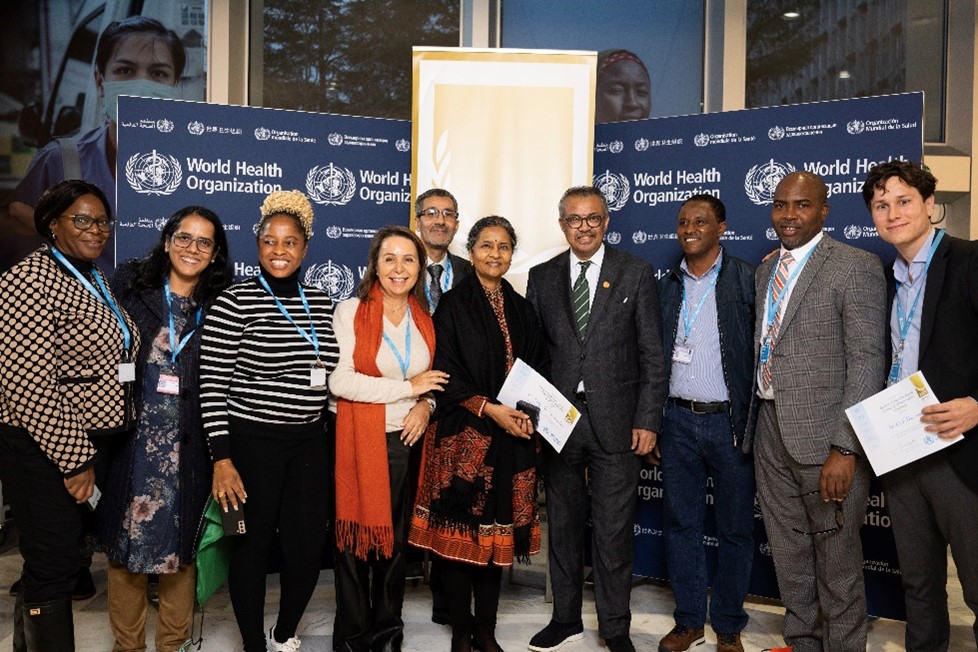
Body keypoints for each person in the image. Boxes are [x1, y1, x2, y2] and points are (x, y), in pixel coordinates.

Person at [526, 186, 667, 652]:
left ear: (606, 222)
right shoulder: (542, 277)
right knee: (563, 526)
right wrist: (534, 414)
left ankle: (615, 628)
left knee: (613, 531)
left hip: (618, 422)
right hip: (558, 420)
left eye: (592, 218)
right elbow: (535, 354)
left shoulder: (635, 271)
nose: (583, 226)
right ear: (562, 224)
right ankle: (564, 618)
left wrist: (648, 419)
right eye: (573, 219)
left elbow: (652, 353)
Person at [749, 171, 886, 651]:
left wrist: (845, 447)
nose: (789, 215)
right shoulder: (767, 270)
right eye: (781, 205)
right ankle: (802, 641)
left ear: (824, 211)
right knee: (789, 557)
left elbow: (868, 361)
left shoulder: (854, 266)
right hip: (768, 429)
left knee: (838, 561)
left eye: (802, 205)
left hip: (827, 439)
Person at [0, 179, 139, 650]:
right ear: (53, 224)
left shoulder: (93, 275)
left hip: (88, 441)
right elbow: (26, 381)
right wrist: (75, 459)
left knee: (52, 561)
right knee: (56, 564)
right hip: (45, 448)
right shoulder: (28, 279)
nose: (95, 229)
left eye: (101, 221)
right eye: (81, 219)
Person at [200, 190, 339, 652]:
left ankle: (285, 633)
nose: (279, 251)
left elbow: (337, 371)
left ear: (305, 247)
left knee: (305, 549)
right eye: (270, 242)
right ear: (257, 244)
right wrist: (222, 458)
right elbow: (212, 386)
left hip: (308, 443)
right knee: (252, 547)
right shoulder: (234, 301)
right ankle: (253, 644)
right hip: (250, 444)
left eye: (291, 242)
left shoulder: (321, 302)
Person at [409, 216, 549, 652]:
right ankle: (462, 632)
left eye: (504, 247)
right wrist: (489, 408)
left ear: (512, 254)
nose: (495, 254)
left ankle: (486, 630)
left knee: (495, 538)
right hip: (463, 439)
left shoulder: (524, 309)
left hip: (510, 441)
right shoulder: (451, 305)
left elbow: (537, 371)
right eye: (486, 245)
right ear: (470, 252)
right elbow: (444, 370)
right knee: (457, 541)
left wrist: (523, 415)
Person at [98, 206, 233, 651]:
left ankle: (171, 646)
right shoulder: (132, 285)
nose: (192, 248)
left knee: (183, 549)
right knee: (125, 552)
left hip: (191, 442)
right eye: (184, 237)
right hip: (134, 442)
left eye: (204, 242)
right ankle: (128, 646)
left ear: (215, 253)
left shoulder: (220, 302)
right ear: (168, 239)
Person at [861, 160, 978, 651]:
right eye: (881, 205)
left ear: (931, 205)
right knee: (919, 583)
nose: (893, 213)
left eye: (904, 201)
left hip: (960, 452)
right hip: (902, 450)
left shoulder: (970, 261)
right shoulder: (882, 279)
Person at [328, 225, 447, 652]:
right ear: (375, 264)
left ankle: (388, 632)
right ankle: (353, 636)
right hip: (359, 439)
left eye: (409, 259)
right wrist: (408, 389)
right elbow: (340, 382)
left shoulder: (425, 319)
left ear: (420, 266)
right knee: (354, 545)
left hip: (408, 441)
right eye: (390, 258)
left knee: (396, 546)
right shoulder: (351, 311)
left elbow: (433, 383)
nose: (400, 268)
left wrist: (425, 405)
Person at [655, 196, 755, 652]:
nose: (689, 228)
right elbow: (653, 358)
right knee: (682, 525)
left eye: (700, 221)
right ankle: (690, 620)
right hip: (677, 420)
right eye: (682, 222)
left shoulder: (747, 279)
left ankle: (729, 625)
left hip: (728, 423)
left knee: (735, 527)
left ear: (722, 227)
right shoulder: (668, 284)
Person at [6, 16, 186, 271]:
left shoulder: (202, 167)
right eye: (125, 70)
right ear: (100, 82)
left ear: (175, 86)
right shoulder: (62, 160)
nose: (141, 85)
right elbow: (17, 218)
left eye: (158, 73)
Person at [415, 188, 473, 313]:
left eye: (448, 214)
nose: (441, 221)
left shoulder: (471, 272)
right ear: (417, 223)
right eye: (431, 213)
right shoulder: (402, 269)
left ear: (456, 225)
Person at [595, 49, 651, 124]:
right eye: (617, 90)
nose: (632, 103)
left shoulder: (665, 135)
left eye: (642, 92)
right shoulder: (576, 135)